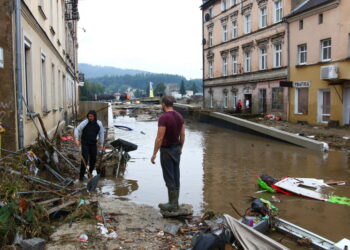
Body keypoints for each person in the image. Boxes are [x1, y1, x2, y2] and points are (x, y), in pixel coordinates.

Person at [151, 96, 185, 212]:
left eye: (162, 104)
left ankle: (172, 204)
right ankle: (176, 203)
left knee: (169, 176)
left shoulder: (164, 118)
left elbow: (159, 138)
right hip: (176, 148)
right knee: (176, 175)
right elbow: (183, 134)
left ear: (164, 104)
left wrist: (154, 153)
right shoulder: (180, 116)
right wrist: (181, 147)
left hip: (166, 150)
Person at [74, 110, 105, 181]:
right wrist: (76, 139)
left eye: (91, 116)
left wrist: (101, 144)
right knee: (85, 159)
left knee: (93, 159)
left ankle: (90, 173)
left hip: (93, 144)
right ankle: (81, 177)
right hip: (85, 143)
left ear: (95, 116)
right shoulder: (85, 122)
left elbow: (101, 134)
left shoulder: (99, 124)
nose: (90, 118)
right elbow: (77, 129)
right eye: (89, 116)